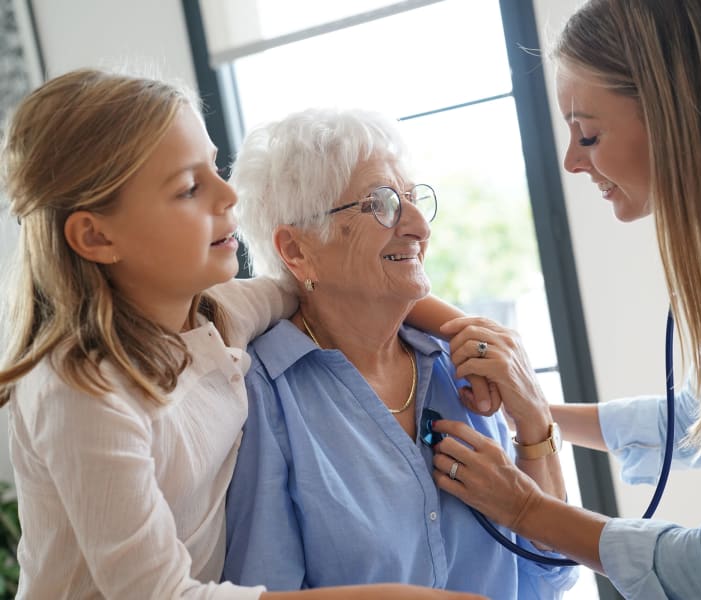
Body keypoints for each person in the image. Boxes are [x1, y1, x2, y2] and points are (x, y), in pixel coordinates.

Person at [0, 68, 485, 600]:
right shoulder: (81, 392)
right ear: (96, 235)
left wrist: (469, 332)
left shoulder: (218, 316)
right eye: (189, 187)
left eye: (213, 167)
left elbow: (323, 287)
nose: (229, 194)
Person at [428, 0, 701, 598]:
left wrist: (524, 507)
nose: (573, 161)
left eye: (588, 133)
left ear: (678, 114)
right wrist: (535, 409)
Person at [221, 107, 577, 598]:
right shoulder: (264, 400)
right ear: (297, 250)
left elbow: (547, 577)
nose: (418, 227)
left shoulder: (461, 369)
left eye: (413, 199)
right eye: (382, 204)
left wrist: (534, 424)